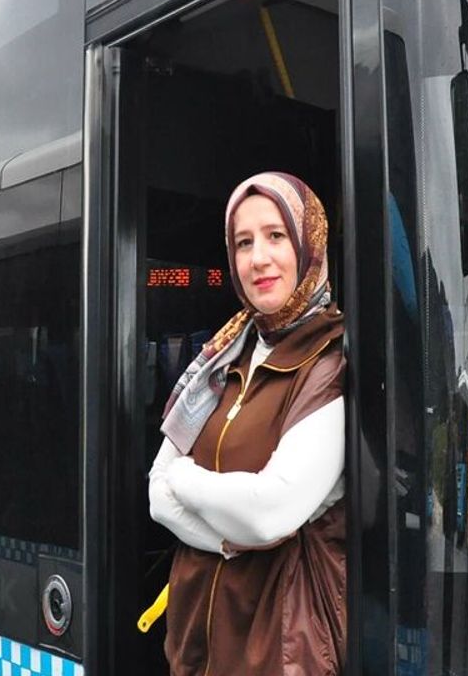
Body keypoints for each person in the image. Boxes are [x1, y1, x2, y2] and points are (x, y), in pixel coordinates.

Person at [149, 171, 346, 675]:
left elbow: (268, 512)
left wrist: (185, 479)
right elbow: (156, 496)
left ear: (309, 245)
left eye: (276, 235)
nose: (258, 258)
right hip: (196, 645)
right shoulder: (223, 357)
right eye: (243, 242)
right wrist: (226, 541)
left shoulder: (330, 362)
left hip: (277, 652)